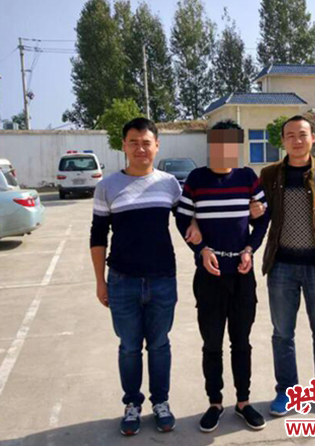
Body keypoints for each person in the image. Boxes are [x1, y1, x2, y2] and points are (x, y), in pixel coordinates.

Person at [90, 117, 200, 436]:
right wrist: (100, 281)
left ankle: (161, 403)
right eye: (133, 142)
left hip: (162, 279)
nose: (140, 148)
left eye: (146, 143)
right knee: (128, 347)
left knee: (160, 345)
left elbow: (186, 219)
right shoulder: (108, 186)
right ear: (124, 146)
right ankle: (132, 405)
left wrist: (195, 225)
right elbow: (97, 236)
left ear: (157, 146)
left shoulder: (169, 184)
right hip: (122, 280)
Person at [176, 119, 269, 432]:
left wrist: (250, 249)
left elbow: (263, 217)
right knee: (212, 343)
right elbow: (182, 218)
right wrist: (201, 249)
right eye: (219, 143)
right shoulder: (196, 179)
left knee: (241, 342)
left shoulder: (247, 178)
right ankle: (215, 403)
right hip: (209, 276)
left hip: (242, 275)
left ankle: (243, 402)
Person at [257, 115, 315, 416]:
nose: (297, 141)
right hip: (281, 267)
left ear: (313, 138)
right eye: (290, 136)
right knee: (282, 334)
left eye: (302, 134)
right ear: (283, 140)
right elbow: (257, 216)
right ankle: (287, 392)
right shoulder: (270, 175)